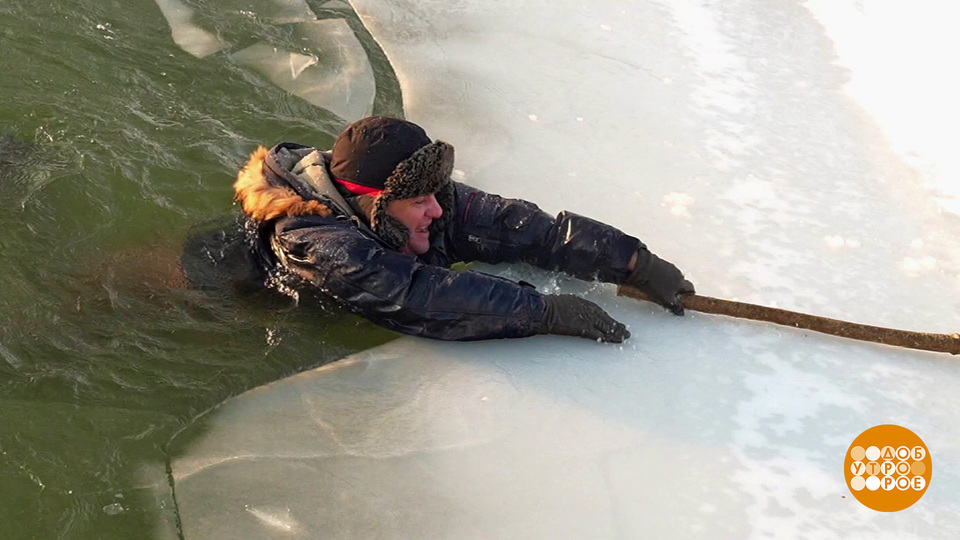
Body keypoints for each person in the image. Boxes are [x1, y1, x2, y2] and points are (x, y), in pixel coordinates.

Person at [233, 116, 693, 342]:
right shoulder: (314, 242)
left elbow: (517, 225)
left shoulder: (419, 197)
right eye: (419, 202)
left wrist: (633, 261)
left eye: (437, 193)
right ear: (371, 203)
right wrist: (543, 311)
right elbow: (417, 296)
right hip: (237, 297)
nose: (436, 210)